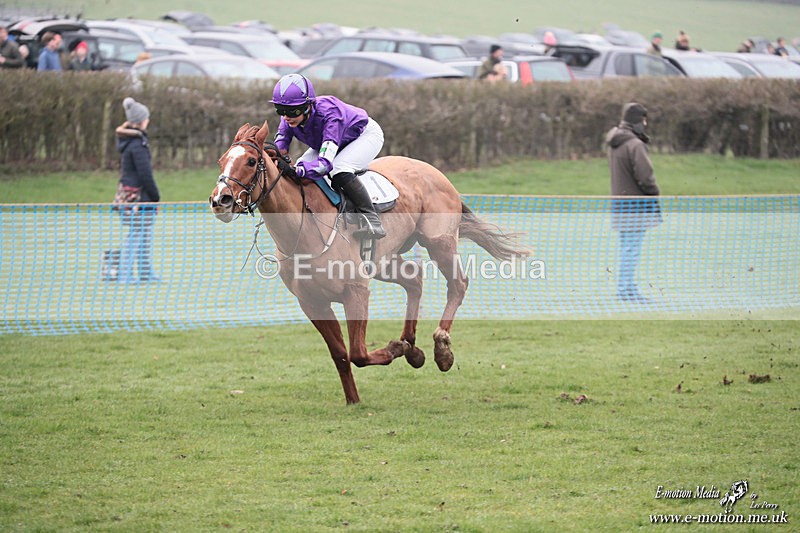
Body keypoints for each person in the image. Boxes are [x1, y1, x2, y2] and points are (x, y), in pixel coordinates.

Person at [270, 73, 386, 239]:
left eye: (292, 111)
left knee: (338, 168)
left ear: (308, 106)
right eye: (280, 110)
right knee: (302, 163)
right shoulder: (288, 119)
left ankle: (372, 220)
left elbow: (324, 164)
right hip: (332, 140)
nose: (287, 117)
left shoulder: (331, 114)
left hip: (364, 135)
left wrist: (298, 170)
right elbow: (279, 149)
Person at [605, 103, 661, 303]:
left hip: (620, 203)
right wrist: (654, 192)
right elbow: (645, 178)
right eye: (643, 120)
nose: (645, 124)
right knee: (632, 249)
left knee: (627, 248)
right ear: (637, 121)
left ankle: (626, 288)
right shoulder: (635, 145)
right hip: (636, 205)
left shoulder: (615, 141)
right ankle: (625, 290)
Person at [114, 97, 160, 283]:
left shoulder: (130, 141)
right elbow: (145, 174)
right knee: (136, 235)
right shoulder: (137, 145)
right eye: (146, 117)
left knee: (144, 235)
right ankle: (124, 275)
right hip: (137, 198)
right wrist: (155, 195)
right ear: (141, 121)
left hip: (131, 195)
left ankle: (145, 272)